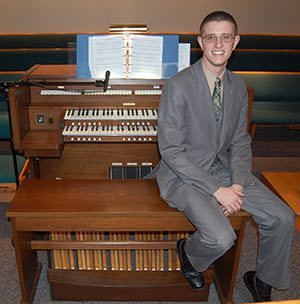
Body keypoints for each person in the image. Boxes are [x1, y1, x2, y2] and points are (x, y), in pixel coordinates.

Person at [151, 11, 295, 302]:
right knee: (221, 238)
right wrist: (218, 191)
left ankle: (261, 279)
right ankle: (189, 253)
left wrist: (238, 185)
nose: (219, 44)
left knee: (283, 217)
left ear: (235, 41)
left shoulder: (238, 86)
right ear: (201, 42)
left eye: (225, 36)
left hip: (224, 170)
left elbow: (241, 140)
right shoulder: (178, 85)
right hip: (183, 174)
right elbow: (171, 150)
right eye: (211, 37)